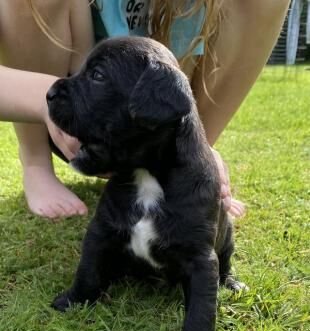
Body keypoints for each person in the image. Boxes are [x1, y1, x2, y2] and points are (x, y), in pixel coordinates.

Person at [0, 0, 290, 219]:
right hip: (65, 114)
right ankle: (36, 163)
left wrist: (194, 143)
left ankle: (186, 161)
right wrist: (44, 94)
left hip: (157, 122)